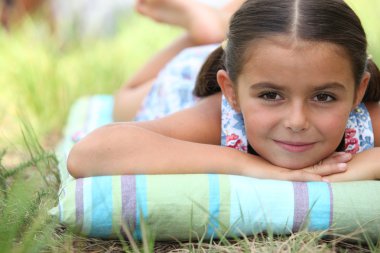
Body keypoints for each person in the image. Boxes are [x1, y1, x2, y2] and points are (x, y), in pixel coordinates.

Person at [68, 0, 380, 182]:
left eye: (323, 97)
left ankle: (220, 24)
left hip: (245, 65)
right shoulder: (218, 115)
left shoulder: (363, 115)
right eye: (270, 95)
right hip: (184, 78)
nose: (297, 121)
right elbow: (90, 153)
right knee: (125, 100)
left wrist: (360, 166)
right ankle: (204, 33)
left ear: (357, 91)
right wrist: (246, 164)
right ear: (231, 92)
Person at [113, 0, 245, 121]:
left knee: (123, 102)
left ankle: (223, 22)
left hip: (205, 77)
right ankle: (223, 24)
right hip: (229, 64)